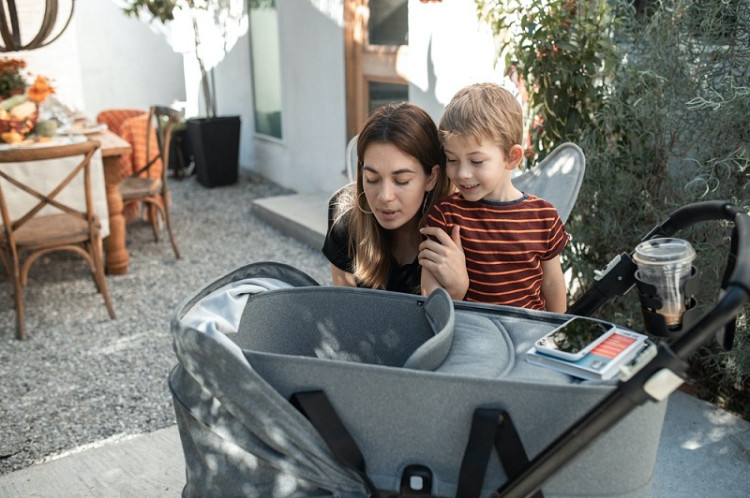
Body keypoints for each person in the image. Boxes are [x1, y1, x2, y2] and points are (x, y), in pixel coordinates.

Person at [420, 82, 568, 312]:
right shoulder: (445, 216)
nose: (462, 173)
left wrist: (555, 335)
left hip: (527, 337)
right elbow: (429, 292)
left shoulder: (543, 217)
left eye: (476, 161)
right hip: (469, 333)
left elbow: (552, 283)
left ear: (511, 157)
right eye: (452, 159)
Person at [322, 101, 459, 294]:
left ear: (432, 177)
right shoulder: (344, 217)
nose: (385, 196)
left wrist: (456, 291)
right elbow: (346, 311)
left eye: (402, 180)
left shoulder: (459, 230)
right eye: (372, 178)